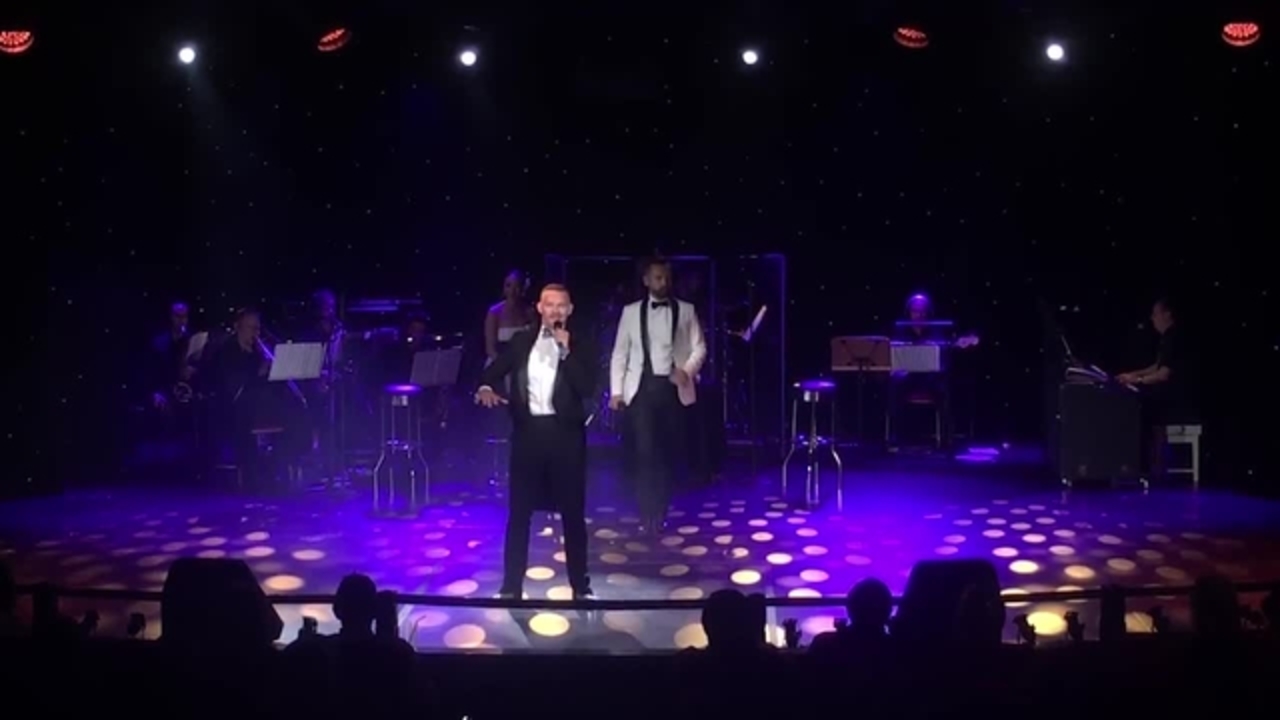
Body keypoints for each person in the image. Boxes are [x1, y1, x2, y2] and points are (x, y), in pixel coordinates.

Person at [475, 284, 596, 599]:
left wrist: (566, 352)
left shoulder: (581, 344)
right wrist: (485, 388)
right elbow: (492, 371)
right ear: (540, 308)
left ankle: (581, 587)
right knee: (519, 514)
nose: (555, 310)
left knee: (572, 514)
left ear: (570, 310)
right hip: (528, 435)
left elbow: (587, 388)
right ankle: (510, 587)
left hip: (566, 437)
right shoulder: (521, 341)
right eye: (549, 304)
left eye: (561, 305)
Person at [609, 257, 707, 533]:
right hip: (641, 390)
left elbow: (700, 347)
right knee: (645, 452)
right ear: (646, 280)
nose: (663, 283)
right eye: (658, 278)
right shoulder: (630, 312)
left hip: (672, 389)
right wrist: (616, 391)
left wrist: (686, 371)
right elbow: (620, 353)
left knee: (666, 452)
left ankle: (660, 510)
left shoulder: (686, 310)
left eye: (666, 278)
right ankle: (646, 511)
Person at [1115, 298, 1196, 477]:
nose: (1152, 319)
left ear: (1167, 314)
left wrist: (1137, 381)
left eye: (1155, 314)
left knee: (1142, 415)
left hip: (1179, 402)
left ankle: (1150, 467)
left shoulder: (1174, 337)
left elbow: (1163, 374)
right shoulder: (1168, 337)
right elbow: (1157, 366)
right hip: (1171, 399)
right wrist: (1132, 375)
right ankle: (1148, 465)